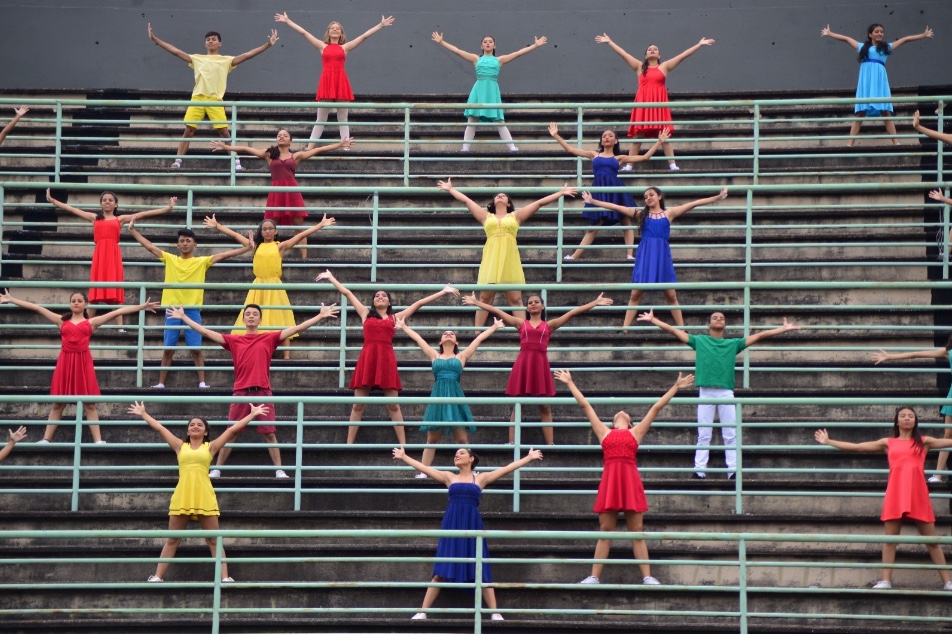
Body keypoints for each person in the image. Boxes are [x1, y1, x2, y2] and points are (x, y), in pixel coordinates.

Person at [166, 302, 339, 478]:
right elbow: (205, 332)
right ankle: (217, 469)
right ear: (243, 319)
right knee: (231, 433)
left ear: (260, 319)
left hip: (263, 391)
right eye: (248, 313)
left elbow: (297, 328)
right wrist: (184, 317)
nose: (251, 316)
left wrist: (320, 316)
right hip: (241, 392)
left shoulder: (269, 338)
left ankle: (279, 470)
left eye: (255, 314)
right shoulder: (234, 340)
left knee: (269, 433)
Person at [556, 369, 694, 585]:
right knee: (605, 530)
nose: (621, 412)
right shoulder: (604, 432)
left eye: (626, 415)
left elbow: (656, 408)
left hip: (629, 481)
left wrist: (675, 387)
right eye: (617, 415)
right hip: (611, 481)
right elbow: (585, 406)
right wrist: (570, 383)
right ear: (613, 423)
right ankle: (594, 576)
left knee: (636, 530)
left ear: (630, 423)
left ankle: (647, 576)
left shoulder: (635, 433)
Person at [638, 309, 798, 478]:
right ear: (709, 324)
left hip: (726, 392)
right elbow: (674, 331)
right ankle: (699, 471)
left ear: (725, 324)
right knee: (704, 434)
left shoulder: (733, 344)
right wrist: (653, 320)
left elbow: (758, 336)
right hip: (705, 392)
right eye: (715, 317)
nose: (718, 319)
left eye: (721, 318)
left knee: (730, 433)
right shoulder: (700, 341)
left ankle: (733, 471)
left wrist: (782, 329)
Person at [392, 445, 543, 620]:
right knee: (441, 569)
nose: (457, 455)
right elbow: (424, 468)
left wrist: (529, 457)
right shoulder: (449, 477)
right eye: (456, 453)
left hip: (472, 524)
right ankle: (422, 611)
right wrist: (404, 456)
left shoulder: (481, 479)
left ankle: (495, 612)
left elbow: (507, 468)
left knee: (480, 568)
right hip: (452, 524)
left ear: (471, 459)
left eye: (462, 453)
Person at [130, 400, 269, 583]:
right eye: (192, 425)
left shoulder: (210, 447)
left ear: (206, 431)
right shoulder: (180, 446)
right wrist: (143, 414)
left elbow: (231, 431)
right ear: (187, 431)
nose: (195, 426)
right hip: (183, 496)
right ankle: (157, 576)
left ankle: (225, 577)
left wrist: (252, 415)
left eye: (200, 425)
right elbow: (160, 429)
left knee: (213, 540)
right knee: (173, 539)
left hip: (204, 496)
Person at [815, 407, 952, 590]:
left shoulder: (924, 442)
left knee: (932, 542)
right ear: (896, 421)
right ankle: (886, 580)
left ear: (915, 421)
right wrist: (829, 441)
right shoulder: (888, 443)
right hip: (896, 494)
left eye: (910, 416)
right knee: (890, 540)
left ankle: (948, 582)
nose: (906, 418)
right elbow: (857, 447)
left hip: (918, 494)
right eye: (902, 416)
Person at [315, 270, 459, 444]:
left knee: (393, 405)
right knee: (358, 405)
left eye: (384, 295)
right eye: (377, 295)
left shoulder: (395, 318)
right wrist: (331, 278)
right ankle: (349, 444)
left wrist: (443, 292)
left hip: (386, 360)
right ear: (373, 301)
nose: (380, 297)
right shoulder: (365, 314)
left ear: (389, 301)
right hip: (367, 359)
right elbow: (347, 293)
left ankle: (403, 445)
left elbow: (418, 303)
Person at [0, 289, 159, 443]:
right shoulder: (61, 320)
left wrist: (142, 307)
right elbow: (36, 308)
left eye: (79, 301)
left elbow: (116, 312)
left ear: (86, 304)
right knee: (58, 403)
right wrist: (12, 300)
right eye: (73, 301)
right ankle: (46, 439)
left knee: (89, 404)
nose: (76, 303)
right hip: (65, 363)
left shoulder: (92, 322)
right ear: (70, 304)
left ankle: (98, 440)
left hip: (83, 364)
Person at [462, 292, 614, 445]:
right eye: (529, 303)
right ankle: (511, 442)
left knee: (545, 407)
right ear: (527, 308)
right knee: (518, 406)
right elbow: (497, 311)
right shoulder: (521, 323)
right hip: (523, 366)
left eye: (536, 302)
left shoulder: (549, 325)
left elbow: (572, 313)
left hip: (540, 366)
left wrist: (595, 302)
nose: (533, 304)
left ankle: (550, 444)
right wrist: (476, 302)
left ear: (542, 306)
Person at [128, 220, 251, 389]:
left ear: (195, 244)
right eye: (182, 241)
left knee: (196, 348)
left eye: (188, 241)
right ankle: (160, 384)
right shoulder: (170, 259)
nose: (185, 244)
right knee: (168, 349)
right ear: (177, 245)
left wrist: (247, 248)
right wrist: (133, 231)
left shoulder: (201, 261)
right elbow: (150, 247)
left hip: (192, 309)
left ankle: (202, 382)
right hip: (172, 309)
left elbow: (224, 255)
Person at [437, 178, 577, 326]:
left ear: (509, 203)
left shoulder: (515, 216)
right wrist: (451, 189)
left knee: (515, 299)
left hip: (510, 258)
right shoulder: (486, 217)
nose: (500, 196)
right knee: (485, 297)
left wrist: (560, 193)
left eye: (504, 195)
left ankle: (525, 332)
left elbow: (539, 203)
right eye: (497, 195)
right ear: (493, 202)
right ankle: (477, 333)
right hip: (491, 257)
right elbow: (467, 201)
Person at [582, 186, 728, 327]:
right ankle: (625, 329)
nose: (648, 198)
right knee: (635, 295)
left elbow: (694, 203)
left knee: (671, 296)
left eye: (651, 195)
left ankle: (682, 330)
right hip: (645, 256)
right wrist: (593, 201)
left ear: (659, 196)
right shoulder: (641, 214)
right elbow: (616, 207)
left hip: (662, 256)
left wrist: (719, 197)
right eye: (645, 197)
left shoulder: (669, 213)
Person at [147, 23, 278, 168]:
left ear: (220, 43)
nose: (210, 41)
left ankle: (236, 163)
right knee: (189, 130)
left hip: (215, 100)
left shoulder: (226, 60)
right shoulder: (197, 58)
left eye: (213, 39)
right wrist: (155, 39)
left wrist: (267, 45)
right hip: (197, 98)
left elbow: (247, 55)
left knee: (224, 132)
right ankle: (177, 162)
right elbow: (176, 52)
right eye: (208, 39)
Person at [204, 214, 336, 359]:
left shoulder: (280, 246)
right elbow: (235, 235)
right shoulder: (254, 246)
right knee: (252, 318)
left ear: (275, 231)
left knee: (280, 319)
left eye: (270, 229)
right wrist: (217, 225)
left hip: (274, 287)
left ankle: (286, 357)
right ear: (261, 232)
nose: (267, 231)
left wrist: (320, 225)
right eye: (264, 229)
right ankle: (254, 352)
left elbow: (301, 235)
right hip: (258, 286)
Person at [46, 189, 175, 329]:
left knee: (115, 293)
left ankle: (120, 327)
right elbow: (71, 209)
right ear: (101, 204)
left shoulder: (120, 219)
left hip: (113, 257)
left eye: (110, 200)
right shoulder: (94, 218)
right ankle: (85, 326)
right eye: (104, 200)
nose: (107, 202)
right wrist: (52, 200)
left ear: (116, 204)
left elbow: (143, 214)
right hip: (99, 257)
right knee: (95, 293)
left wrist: (167, 208)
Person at [396, 316, 506, 474]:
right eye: (445, 333)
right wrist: (404, 327)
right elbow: (419, 339)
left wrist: (494, 327)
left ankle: (470, 471)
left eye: (452, 333)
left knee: (462, 440)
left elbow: (478, 340)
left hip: (455, 397)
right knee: (432, 439)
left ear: (457, 342)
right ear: (440, 342)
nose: (448, 334)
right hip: (438, 397)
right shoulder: (434, 355)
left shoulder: (461, 356)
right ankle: (423, 472)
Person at [595, 33, 715, 171]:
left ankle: (672, 165)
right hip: (643, 105)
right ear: (645, 56)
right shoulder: (639, 67)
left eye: (655, 49)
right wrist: (610, 42)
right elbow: (623, 54)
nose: (652, 50)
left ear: (659, 56)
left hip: (659, 105)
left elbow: (682, 56)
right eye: (649, 49)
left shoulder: (664, 67)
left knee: (664, 135)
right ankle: (629, 165)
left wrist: (699, 45)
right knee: (638, 136)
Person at [548, 123, 668, 262]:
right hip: (599, 190)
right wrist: (556, 135)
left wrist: (659, 141)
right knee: (593, 227)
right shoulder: (594, 154)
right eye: (604, 136)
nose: (607, 137)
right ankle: (574, 256)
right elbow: (570, 149)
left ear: (616, 140)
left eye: (610, 135)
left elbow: (645, 157)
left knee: (626, 221)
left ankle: (630, 255)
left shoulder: (619, 158)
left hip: (616, 190)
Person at [210, 130, 350, 248]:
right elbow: (246, 149)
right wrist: (226, 147)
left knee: (299, 227)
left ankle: (305, 259)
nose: (281, 137)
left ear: (290, 141)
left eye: (285, 135)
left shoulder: (296, 156)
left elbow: (318, 150)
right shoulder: (269, 154)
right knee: (268, 225)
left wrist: (340, 144)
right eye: (279, 135)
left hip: (292, 191)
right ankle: (263, 253)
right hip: (276, 192)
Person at [274, 12, 394, 147]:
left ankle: (346, 147)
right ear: (328, 32)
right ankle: (310, 147)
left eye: (337, 28)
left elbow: (364, 36)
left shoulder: (345, 47)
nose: (335, 29)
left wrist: (381, 25)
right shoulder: (322, 46)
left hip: (341, 82)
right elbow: (304, 33)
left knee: (343, 119)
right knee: (320, 119)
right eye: (332, 28)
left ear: (341, 33)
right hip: (327, 83)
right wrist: (288, 21)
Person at [431, 32, 547, 152]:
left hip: (492, 91)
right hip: (478, 90)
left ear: (494, 46)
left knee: (500, 121)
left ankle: (512, 147)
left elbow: (517, 53)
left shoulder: (499, 60)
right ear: (481, 46)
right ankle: (465, 148)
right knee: (472, 120)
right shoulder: (476, 59)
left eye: (490, 42)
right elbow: (458, 51)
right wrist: (441, 42)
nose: (487, 43)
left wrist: (535, 45)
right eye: (485, 42)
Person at [821, 24, 934, 146]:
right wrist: (830, 33)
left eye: (881, 32)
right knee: (860, 112)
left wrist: (923, 35)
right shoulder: (862, 47)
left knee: (885, 111)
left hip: (879, 82)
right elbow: (847, 39)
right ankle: (849, 144)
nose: (880, 34)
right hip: (866, 82)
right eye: (876, 32)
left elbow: (904, 40)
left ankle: (896, 143)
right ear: (870, 34)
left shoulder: (886, 48)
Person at [873, 340, 952, 482]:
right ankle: (938, 474)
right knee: (947, 434)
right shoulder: (947, 351)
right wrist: (890, 356)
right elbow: (915, 354)